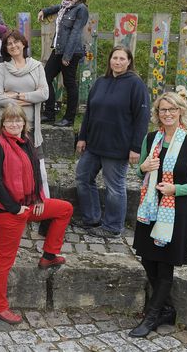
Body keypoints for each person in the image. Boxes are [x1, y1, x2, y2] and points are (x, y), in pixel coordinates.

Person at [130, 92, 187, 337]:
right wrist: (142, 168)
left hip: (175, 210)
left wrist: (177, 189)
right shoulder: (151, 138)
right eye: (163, 110)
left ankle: (152, 316)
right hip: (150, 207)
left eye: (172, 109)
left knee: (165, 264)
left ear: (181, 111)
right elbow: (140, 173)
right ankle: (167, 310)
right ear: (157, 113)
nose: (167, 114)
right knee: (148, 259)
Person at [0, 104, 73, 324]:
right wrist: (14, 208)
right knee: (4, 261)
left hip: (30, 204)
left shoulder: (26, 141)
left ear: (24, 123)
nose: (14, 124)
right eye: (9, 120)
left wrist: (38, 199)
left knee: (65, 209)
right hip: (9, 211)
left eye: (18, 120)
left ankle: (49, 256)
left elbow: (36, 173)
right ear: (3, 124)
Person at [75, 46, 150, 238]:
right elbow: (89, 112)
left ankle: (113, 227)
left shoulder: (136, 84)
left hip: (118, 147)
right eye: (114, 58)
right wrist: (82, 137)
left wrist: (136, 147)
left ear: (129, 61)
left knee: (114, 188)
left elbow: (142, 118)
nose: (117, 62)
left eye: (122, 58)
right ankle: (91, 218)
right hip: (94, 144)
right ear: (110, 60)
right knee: (83, 177)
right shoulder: (100, 82)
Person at [0, 29, 50, 197]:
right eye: (8, 43)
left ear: (23, 43)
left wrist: (14, 95)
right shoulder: (2, 68)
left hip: (29, 126)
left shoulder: (36, 67)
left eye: (16, 41)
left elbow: (44, 94)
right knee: (3, 170)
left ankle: (42, 204)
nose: (13, 45)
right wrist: (29, 99)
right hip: (3, 125)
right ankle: (4, 207)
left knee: (39, 170)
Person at [38, 0, 89, 127]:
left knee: (69, 83)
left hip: (71, 52)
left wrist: (67, 56)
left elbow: (75, 33)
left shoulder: (81, 9)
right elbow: (57, 7)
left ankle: (69, 119)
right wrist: (44, 11)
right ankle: (49, 114)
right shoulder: (66, 5)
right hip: (59, 49)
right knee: (45, 77)